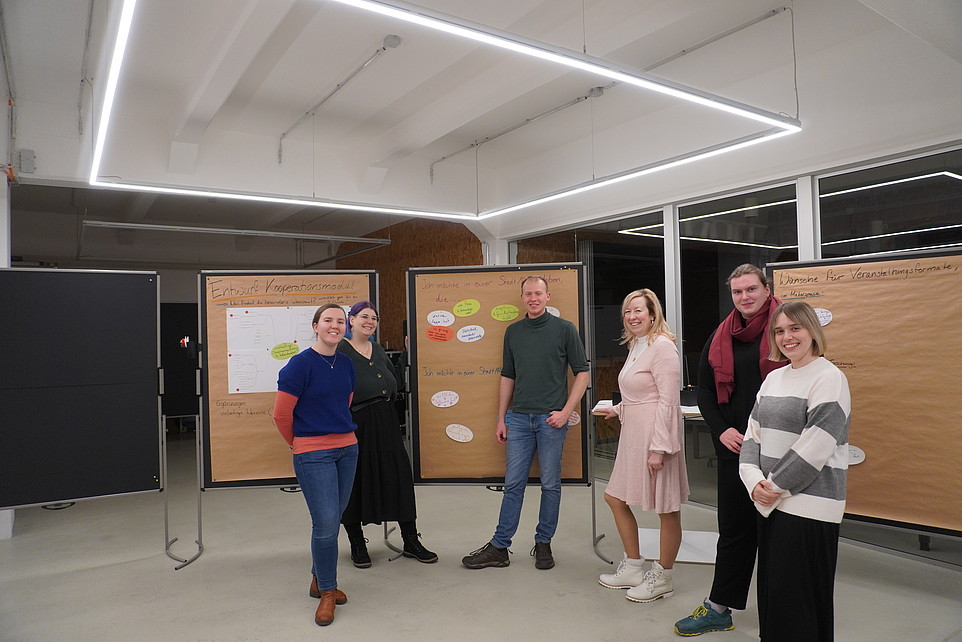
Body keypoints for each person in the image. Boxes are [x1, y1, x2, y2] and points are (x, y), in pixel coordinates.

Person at [674, 264, 786, 637]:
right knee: (735, 531)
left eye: (751, 289)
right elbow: (704, 389)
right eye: (737, 292)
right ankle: (719, 608)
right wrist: (720, 430)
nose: (744, 297)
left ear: (766, 289)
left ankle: (780, 613)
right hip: (736, 449)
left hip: (781, 450)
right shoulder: (722, 334)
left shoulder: (785, 328)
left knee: (780, 534)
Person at [462, 275, 590, 571]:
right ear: (522, 298)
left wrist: (565, 411)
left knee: (550, 484)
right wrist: (501, 418)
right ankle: (499, 547)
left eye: (538, 293)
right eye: (528, 294)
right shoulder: (513, 332)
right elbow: (508, 375)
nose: (533, 298)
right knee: (513, 485)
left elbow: (582, 373)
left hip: (551, 421)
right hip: (518, 420)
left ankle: (543, 544)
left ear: (548, 296)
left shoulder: (565, 330)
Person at [739, 301, 850, 641]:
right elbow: (752, 434)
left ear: (812, 331)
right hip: (770, 502)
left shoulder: (830, 378)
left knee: (799, 605)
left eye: (795, 328)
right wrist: (753, 481)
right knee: (774, 600)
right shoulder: (774, 377)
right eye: (780, 330)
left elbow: (817, 443)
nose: (787, 337)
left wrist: (771, 488)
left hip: (807, 507)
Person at [597, 289, 689, 602]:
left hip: (656, 436)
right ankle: (634, 566)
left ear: (653, 314)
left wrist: (660, 447)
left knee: (666, 508)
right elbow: (641, 395)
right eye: (628, 311)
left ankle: (663, 576)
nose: (633, 316)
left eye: (639, 310)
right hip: (633, 433)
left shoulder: (662, 347)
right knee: (615, 497)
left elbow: (667, 401)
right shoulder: (638, 343)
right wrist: (618, 409)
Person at [272, 303, 358, 627]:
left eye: (340, 321)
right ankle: (327, 590)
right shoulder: (299, 365)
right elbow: (281, 415)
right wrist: (299, 444)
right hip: (313, 454)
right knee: (324, 524)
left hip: (348, 449)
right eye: (328, 321)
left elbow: (345, 402)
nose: (335, 326)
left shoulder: (347, 363)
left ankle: (316, 577)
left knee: (332, 521)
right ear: (316, 325)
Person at [337, 301, 437, 567]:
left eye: (374, 318)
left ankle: (410, 540)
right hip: (356, 424)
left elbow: (393, 386)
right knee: (355, 482)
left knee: (399, 478)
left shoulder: (378, 349)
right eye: (364, 317)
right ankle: (357, 543)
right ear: (352, 320)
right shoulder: (340, 352)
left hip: (387, 423)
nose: (370, 321)